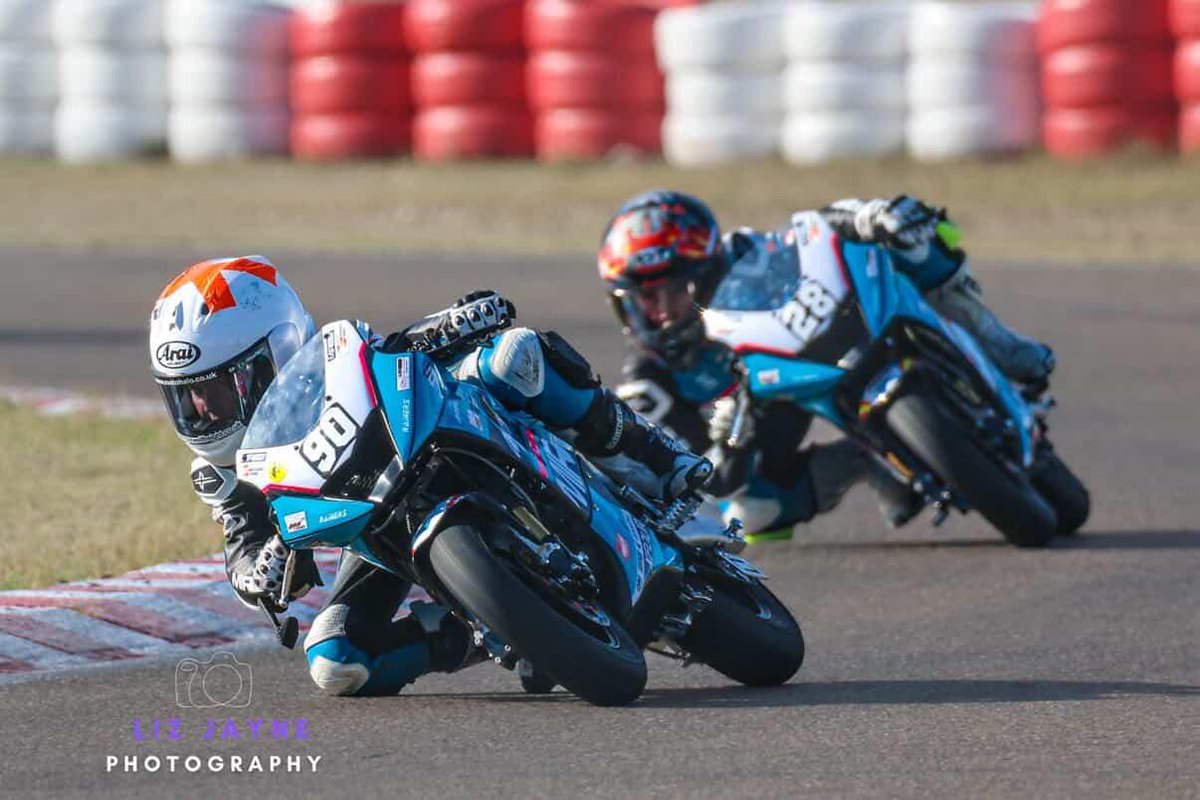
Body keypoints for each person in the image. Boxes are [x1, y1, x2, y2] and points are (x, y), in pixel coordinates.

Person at [149, 256, 710, 697]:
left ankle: (654, 459)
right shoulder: (220, 474)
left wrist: (456, 322)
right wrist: (258, 575)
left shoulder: (335, 360)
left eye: (215, 388)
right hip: (371, 530)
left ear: (276, 351)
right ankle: (486, 626)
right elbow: (242, 546)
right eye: (185, 396)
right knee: (336, 662)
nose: (201, 409)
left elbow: (395, 349)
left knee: (514, 356)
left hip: (433, 433)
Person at [597, 191, 1055, 540]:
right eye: (645, 298)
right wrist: (729, 439)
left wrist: (870, 216)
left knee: (910, 236)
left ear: (707, 269)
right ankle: (866, 462)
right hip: (761, 418)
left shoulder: (745, 253)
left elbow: (814, 230)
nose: (661, 309)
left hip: (821, 339)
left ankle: (1000, 344)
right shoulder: (648, 386)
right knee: (749, 514)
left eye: (675, 289)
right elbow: (696, 481)